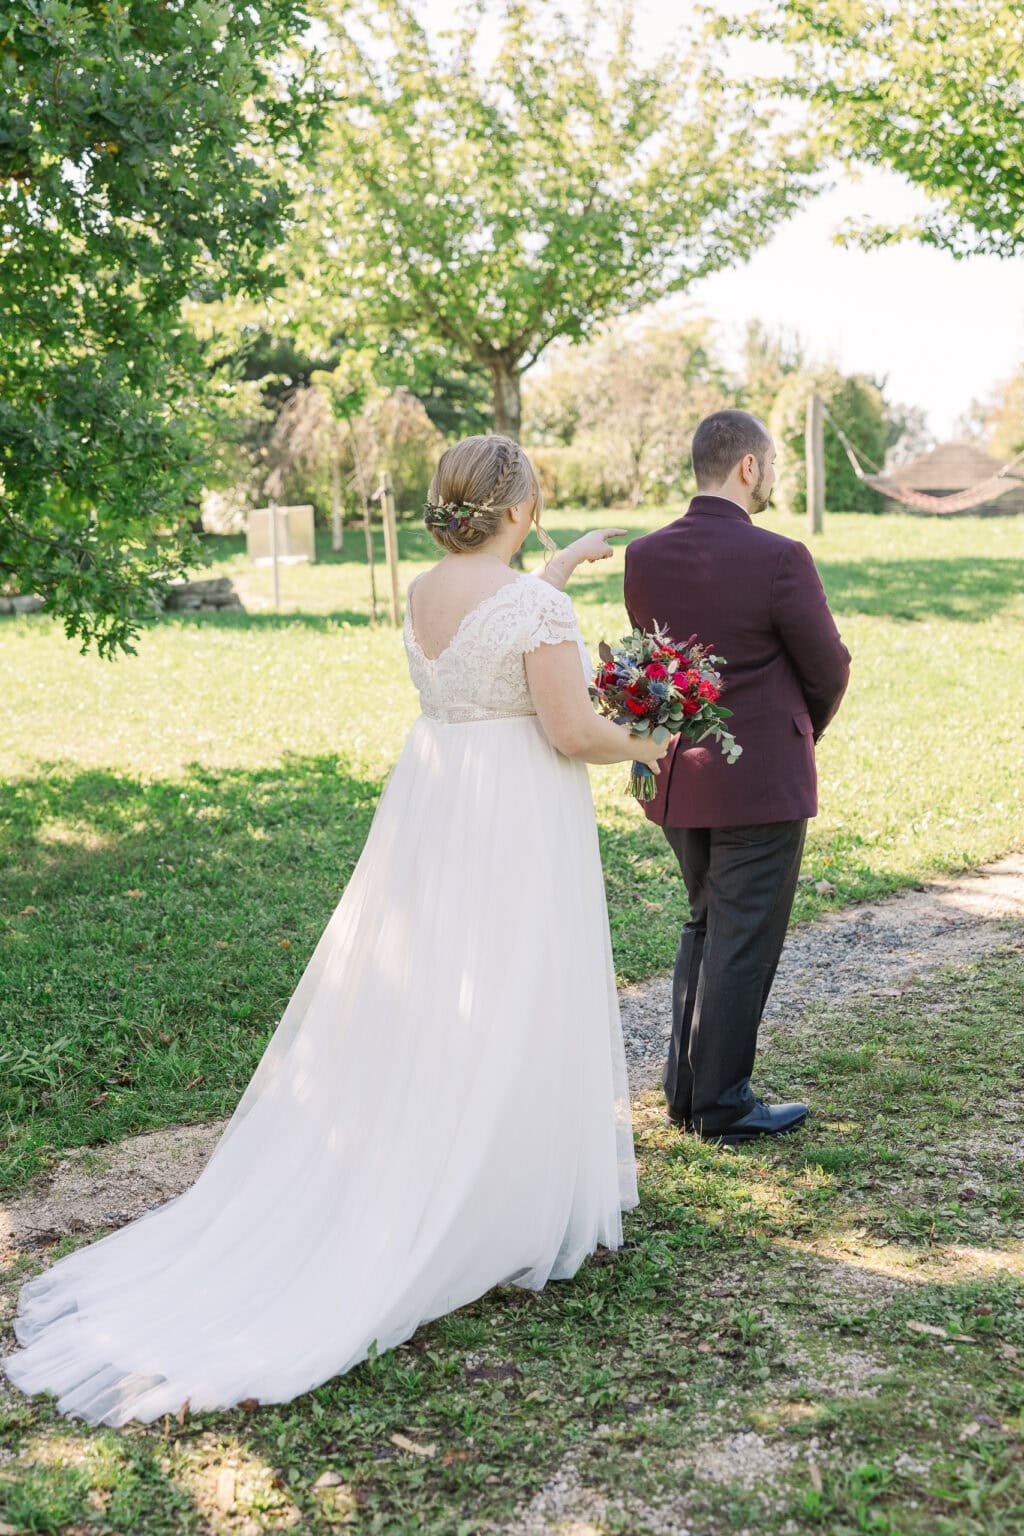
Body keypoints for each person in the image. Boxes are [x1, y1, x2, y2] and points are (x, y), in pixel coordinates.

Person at [2, 434, 667, 1428]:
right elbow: (569, 730)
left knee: (441, 991)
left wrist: (560, 566)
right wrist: (654, 740)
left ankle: (450, 1163)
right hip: (514, 816)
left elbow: (500, 617)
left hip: (440, 809)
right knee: (513, 987)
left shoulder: (431, 589)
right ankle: (492, 1199)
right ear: (519, 507)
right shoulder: (535, 608)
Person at [624, 409, 851, 1145]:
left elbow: (658, 667)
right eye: (772, 463)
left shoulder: (643, 556)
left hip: (677, 777)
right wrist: (795, 732)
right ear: (747, 467)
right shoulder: (781, 556)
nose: (773, 476)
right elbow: (828, 667)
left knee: (705, 923)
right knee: (742, 936)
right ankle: (722, 1105)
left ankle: (687, 1092)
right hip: (760, 783)